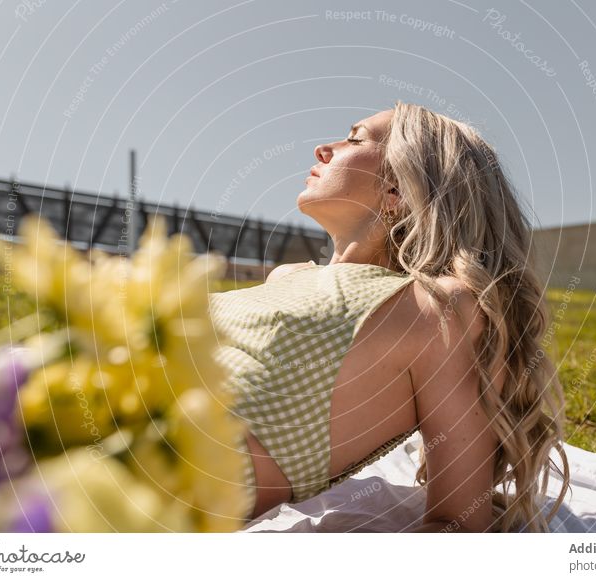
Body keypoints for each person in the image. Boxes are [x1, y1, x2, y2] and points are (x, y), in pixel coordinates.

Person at [208, 100, 569, 533]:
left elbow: (458, 524)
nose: (324, 148)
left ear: (397, 188)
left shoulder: (436, 308)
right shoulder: (287, 277)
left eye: (355, 138)